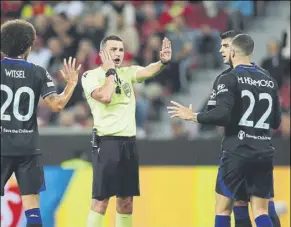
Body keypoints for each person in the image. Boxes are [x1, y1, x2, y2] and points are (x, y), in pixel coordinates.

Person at [167, 33, 281, 227]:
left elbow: (220, 115)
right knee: (261, 210)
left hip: (237, 150)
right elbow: (276, 121)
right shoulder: (268, 80)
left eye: (225, 47)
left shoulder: (228, 78)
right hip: (263, 151)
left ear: (234, 51)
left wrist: (193, 115)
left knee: (223, 209)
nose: (221, 50)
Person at [81, 35, 171, 227]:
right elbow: (105, 96)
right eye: (113, 50)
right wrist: (110, 72)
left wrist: (162, 62)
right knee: (101, 201)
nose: (118, 54)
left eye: (121, 50)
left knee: (126, 202)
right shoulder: (90, 76)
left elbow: (148, 71)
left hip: (129, 144)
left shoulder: (128, 73)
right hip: (106, 142)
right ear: (102, 53)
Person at [1, 19, 81, 227]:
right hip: (27, 147)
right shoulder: (37, 72)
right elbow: (57, 105)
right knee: (33, 210)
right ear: (29, 45)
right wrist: (71, 84)